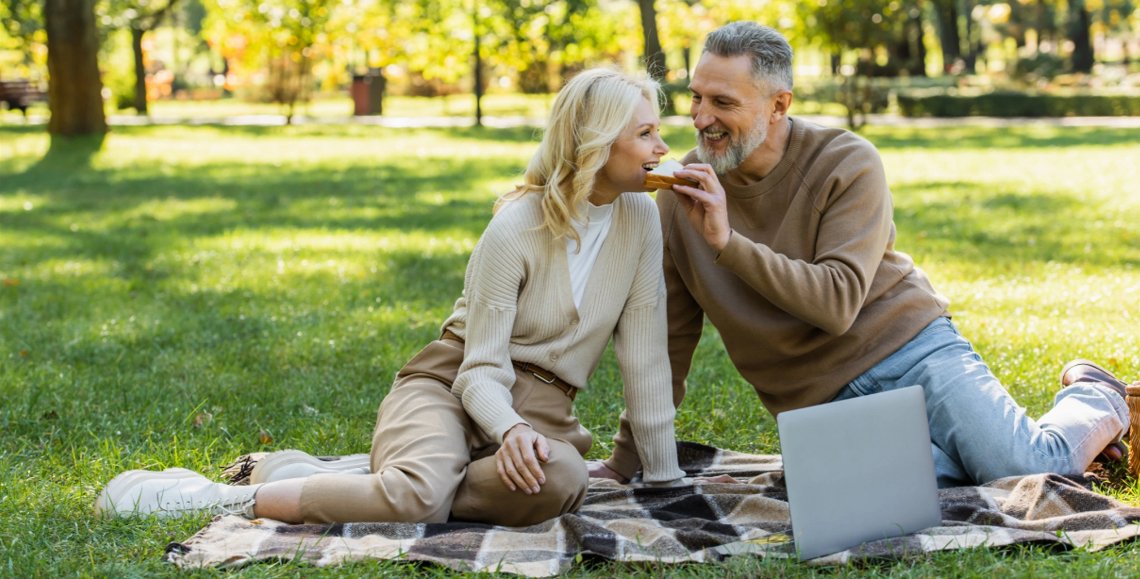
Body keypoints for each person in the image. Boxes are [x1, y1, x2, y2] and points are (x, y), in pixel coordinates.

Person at [96, 68, 688, 526]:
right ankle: (231, 499)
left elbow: (646, 360)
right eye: (645, 132)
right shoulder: (516, 227)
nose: (663, 146)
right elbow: (479, 371)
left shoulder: (640, 219)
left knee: (560, 481)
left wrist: (664, 482)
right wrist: (508, 431)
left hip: (541, 414)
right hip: (450, 387)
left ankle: (355, 479)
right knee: (416, 500)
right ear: (595, 143)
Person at [591, 21, 1135, 488]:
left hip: (913, 352)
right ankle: (1015, 449)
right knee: (929, 483)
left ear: (779, 105)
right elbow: (669, 345)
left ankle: (1094, 397)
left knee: (1027, 468)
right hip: (819, 408)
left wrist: (728, 244)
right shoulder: (680, 198)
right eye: (696, 97)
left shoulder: (845, 162)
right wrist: (623, 463)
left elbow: (836, 303)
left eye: (723, 103)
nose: (701, 118)